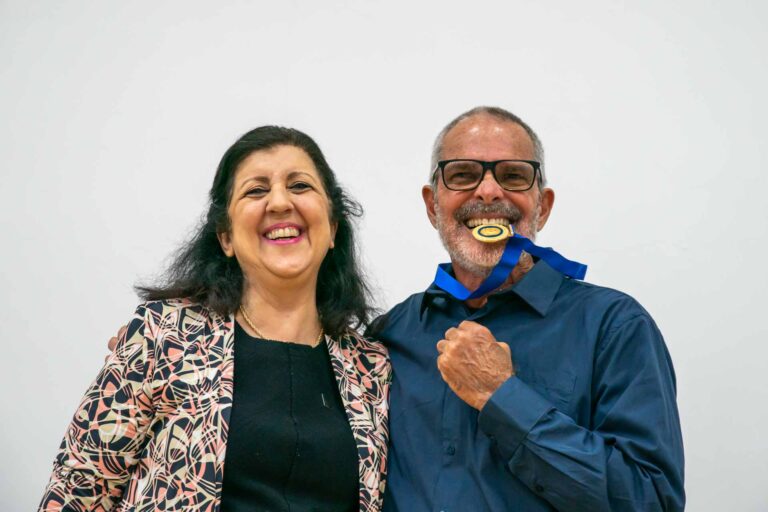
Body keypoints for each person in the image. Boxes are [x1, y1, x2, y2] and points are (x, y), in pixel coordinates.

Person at [39, 126, 391, 512]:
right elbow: (76, 491)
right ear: (225, 237)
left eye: (300, 186)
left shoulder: (371, 368)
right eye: (256, 190)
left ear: (333, 228)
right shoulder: (164, 335)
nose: (278, 202)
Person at [374, 106, 685, 511]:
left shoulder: (615, 327)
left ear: (543, 205)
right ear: (433, 205)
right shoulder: (388, 336)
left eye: (513, 175)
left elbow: (652, 502)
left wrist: (502, 397)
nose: (488, 192)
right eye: (463, 174)